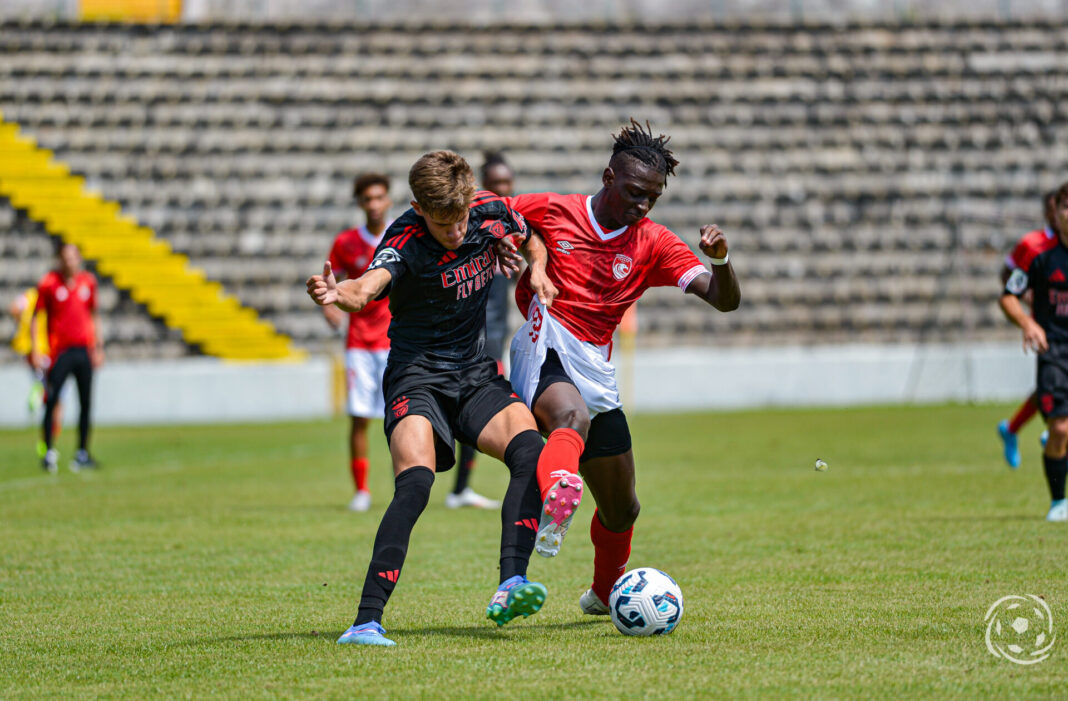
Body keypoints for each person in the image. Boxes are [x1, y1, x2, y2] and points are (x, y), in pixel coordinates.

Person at [306, 150, 558, 646]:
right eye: (445, 224)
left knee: (531, 450)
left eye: (462, 218)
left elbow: (533, 238)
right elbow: (367, 286)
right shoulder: (403, 238)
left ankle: (511, 582)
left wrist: (537, 268)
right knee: (416, 484)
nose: (458, 230)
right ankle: (365, 622)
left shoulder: (487, 209)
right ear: (420, 209)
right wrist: (340, 295)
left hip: (473, 373)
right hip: (416, 378)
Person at [501, 119, 740, 614]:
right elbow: (487, 211)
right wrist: (524, 251)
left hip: (594, 364)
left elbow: (724, 300)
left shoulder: (653, 241)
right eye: (634, 193)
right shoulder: (554, 209)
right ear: (608, 178)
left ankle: (605, 592)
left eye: (652, 197)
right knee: (571, 418)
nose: (642, 206)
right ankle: (558, 494)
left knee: (622, 506)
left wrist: (720, 260)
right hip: (543, 339)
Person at [445, 151, 517, 510]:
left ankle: (460, 489)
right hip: (472, 337)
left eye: (507, 183)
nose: (503, 189)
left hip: (497, 335)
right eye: (496, 184)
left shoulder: (513, 226)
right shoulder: (473, 228)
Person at [322, 173, 394, 512]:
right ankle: (362, 491)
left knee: (403, 416)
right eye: (368, 199)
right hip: (360, 344)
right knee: (359, 417)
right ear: (360, 203)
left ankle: (404, 485)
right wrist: (328, 306)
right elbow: (329, 281)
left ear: (389, 199)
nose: (375, 204)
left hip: (397, 341)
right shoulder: (346, 242)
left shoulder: (401, 235)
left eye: (380, 197)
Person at [1000, 181, 1068, 522]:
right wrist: (1028, 323)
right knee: (1059, 430)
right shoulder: (1038, 253)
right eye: (1066, 207)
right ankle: (1059, 502)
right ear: (1056, 213)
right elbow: (1008, 293)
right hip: (1054, 348)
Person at [996, 190, 1060, 469]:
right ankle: (1054, 429)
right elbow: (1008, 277)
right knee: (1053, 384)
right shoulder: (1033, 244)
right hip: (1050, 329)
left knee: (1050, 388)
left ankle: (1012, 428)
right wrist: (1028, 301)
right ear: (1051, 212)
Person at [30, 240, 104, 473]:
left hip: (83, 351)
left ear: (79, 258)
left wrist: (98, 347)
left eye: (74, 256)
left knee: (86, 403)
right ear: (60, 259)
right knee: (51, 401)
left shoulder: (88, 282)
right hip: (59, 352)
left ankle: (82, 452)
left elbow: (94, 315)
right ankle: (48, 451)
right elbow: (35, 317)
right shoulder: (49, 283)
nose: (70, 261)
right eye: (66, 257)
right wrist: (35, 349)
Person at [9, 287, 61, 458]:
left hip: (35, 349)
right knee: (54, 396)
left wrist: (20, 324)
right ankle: (40, 393)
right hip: (42, 349)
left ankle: (49, 441)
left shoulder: (29, 296)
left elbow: (14, 308)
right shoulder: (42, 296)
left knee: (55, 396)